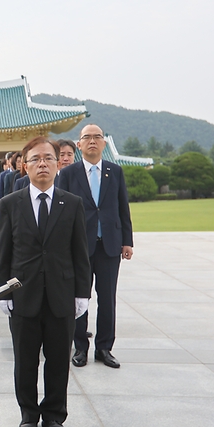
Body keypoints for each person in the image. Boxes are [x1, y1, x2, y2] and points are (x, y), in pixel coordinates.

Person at [0, 136, 91, 427]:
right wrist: (3, 292)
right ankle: (28, 415)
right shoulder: (11, 204)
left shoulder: (72, 203)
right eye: (36, 159)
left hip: (61, 295)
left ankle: (53, 415)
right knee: (25, 359)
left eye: (49, 158)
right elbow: (3, 252)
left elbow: (80, 253)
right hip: (24, 294)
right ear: (25, 165)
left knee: (59, 359)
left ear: (58, 163)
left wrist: (82, 293)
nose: (43, 164)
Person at [56, 124, 133, 369]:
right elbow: (62, 212)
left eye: (97, 137)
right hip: (79, 247)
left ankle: (104, 348)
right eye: (86, 137)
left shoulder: (115, 171)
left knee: (108, 298)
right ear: (79, 145)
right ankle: (80, 347)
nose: (92, 141)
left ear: (104, 143)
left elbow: (123, 208)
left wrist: (127, 241)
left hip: (109, 246)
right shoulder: (69, 174)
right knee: (79, 297)